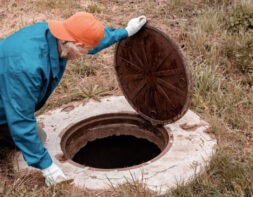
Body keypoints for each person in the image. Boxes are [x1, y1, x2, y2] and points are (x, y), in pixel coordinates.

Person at [0, 12, 146, 186]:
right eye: (86, 50)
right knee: (25, 133)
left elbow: (93, 41)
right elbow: (21, 120)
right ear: (77, 45)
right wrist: (47, 167)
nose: (86, 54)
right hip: (11, 88)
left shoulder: (55, 36)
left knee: (37, 138)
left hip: (6, 94)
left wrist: (126, 31)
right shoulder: (27, 67)